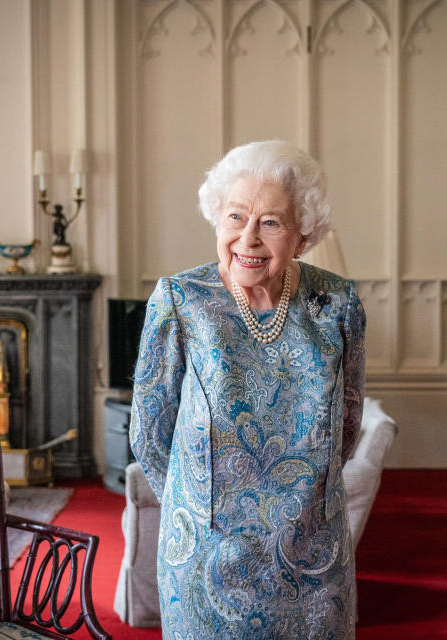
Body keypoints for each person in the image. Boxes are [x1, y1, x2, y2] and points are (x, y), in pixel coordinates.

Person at [130, 140, 366, 638]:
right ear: (218, 220)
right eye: (236, 217)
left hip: (313, 555)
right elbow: (149, 434)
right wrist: (195, 508)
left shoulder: (338, 303)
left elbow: (347, 424)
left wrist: (305, 505)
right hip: (205, 557)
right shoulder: (180, 301)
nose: (249, 238)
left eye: (271, 222)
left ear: (302, 235)